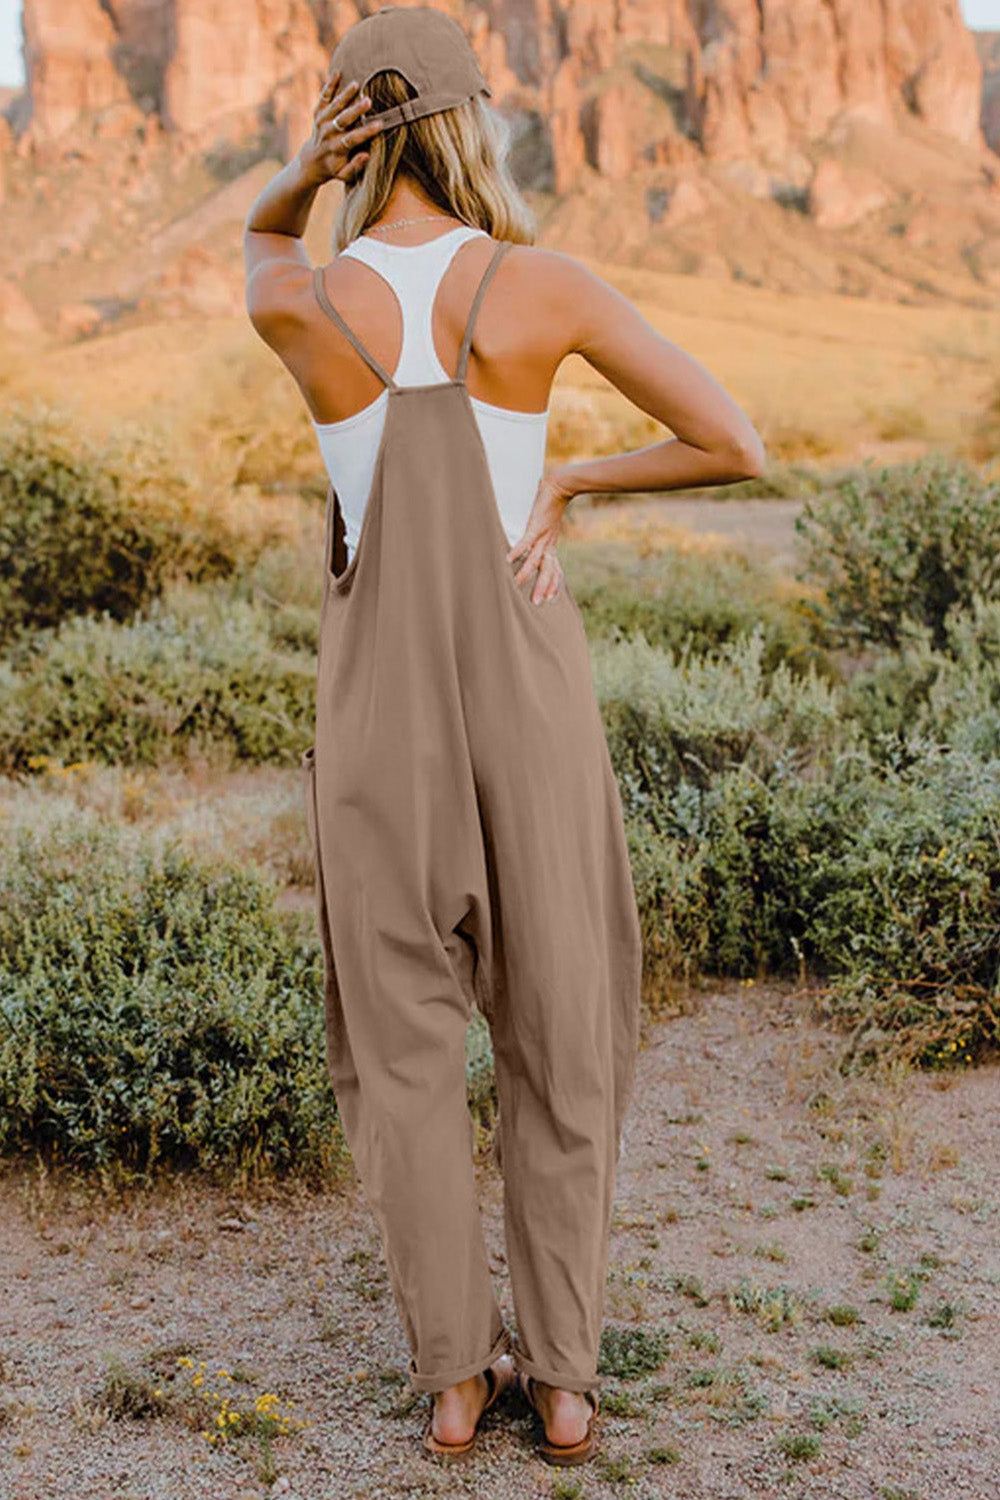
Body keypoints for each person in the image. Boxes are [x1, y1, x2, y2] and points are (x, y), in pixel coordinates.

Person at [243, 3, 765, 1468]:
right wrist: (577, 479)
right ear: (471, 121)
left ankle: (456, 1383)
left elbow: (257, 251)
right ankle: (571, 1378)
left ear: (353, 130)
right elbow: (739, 440)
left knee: (404, 1051)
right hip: (530, 703)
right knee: (563, 1033)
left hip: (375, 722)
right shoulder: (541, 287)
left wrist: (301, 172)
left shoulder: (304, 300)